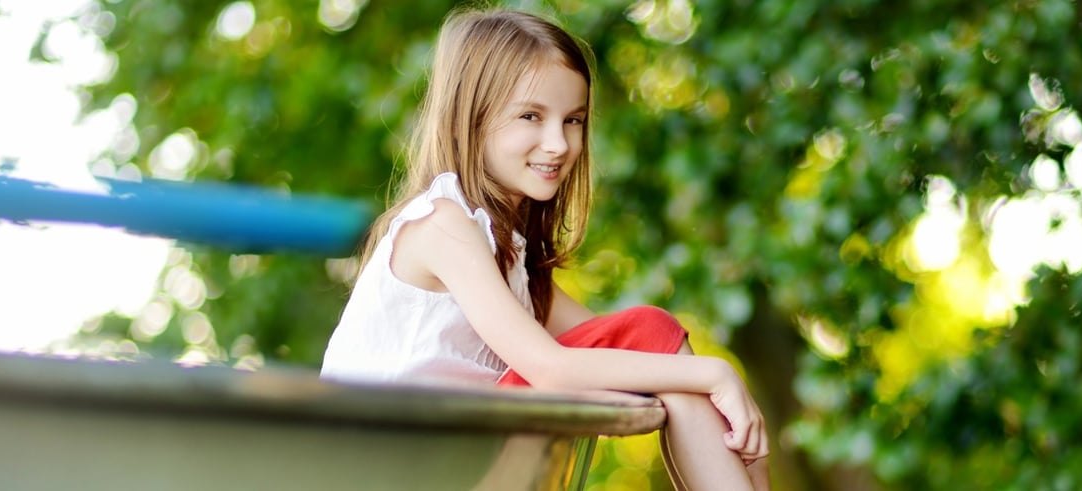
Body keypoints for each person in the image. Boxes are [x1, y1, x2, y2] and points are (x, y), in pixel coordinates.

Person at [319, 7, 770, 490]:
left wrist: (702, 379)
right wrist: (715, 373)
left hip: (445, 458)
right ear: (465, 122)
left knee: (658, 344)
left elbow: (630, 350)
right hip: (389, 467)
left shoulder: (507, 252)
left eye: (573, 120)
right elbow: (552, 368)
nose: (558, 143)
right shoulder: (442, 226)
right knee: (660, 344)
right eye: (531, 116)